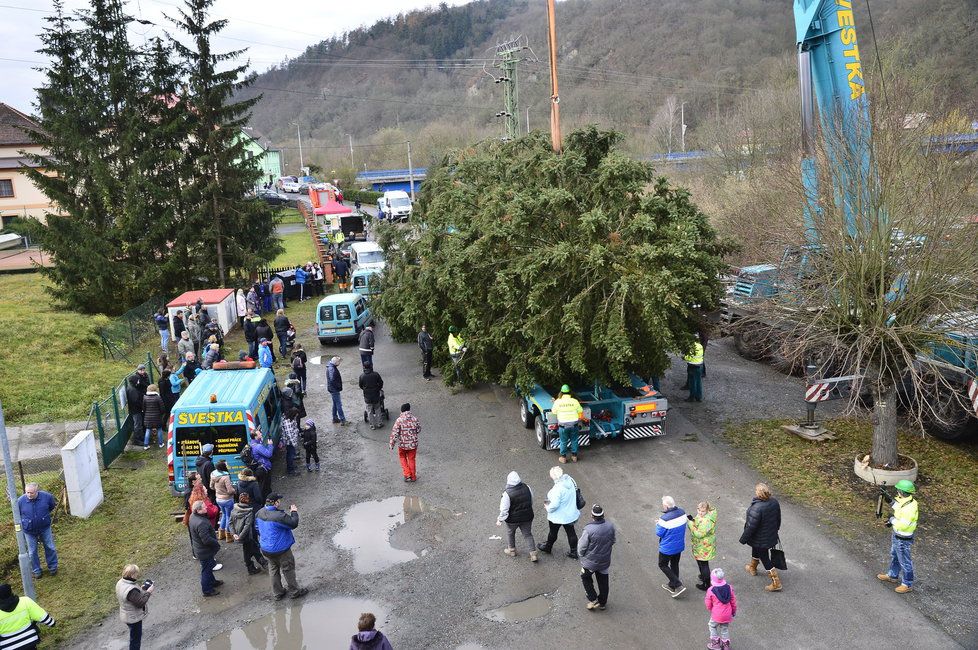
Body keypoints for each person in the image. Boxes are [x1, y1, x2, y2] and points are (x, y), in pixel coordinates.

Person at [256, 494, 307, 600]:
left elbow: (256, 528)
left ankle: (278, 593)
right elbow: (293, 523)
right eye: (279, 501)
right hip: (281, 549)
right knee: (288, 568)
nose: (280, 502)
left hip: (266, 548)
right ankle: (295, 591)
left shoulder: (259, 513)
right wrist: (294, 512)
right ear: (275, 503)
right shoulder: (278, 516)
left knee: (273, 569)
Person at [876, 479, 918, 594]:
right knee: (895, 555)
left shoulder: (910, 508)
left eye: (898, 490)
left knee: (905, 561)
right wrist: (887, 498)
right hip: (897, 535)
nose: (897, 491)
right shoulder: (906, 501)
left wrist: (892, 520)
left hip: (903, 538)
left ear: (902, 492)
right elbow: (898, 506)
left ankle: (907, 584)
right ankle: (893, 575)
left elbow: (904, 525)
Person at [739, 482, 783, 592]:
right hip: (770, 535)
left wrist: (743, 538)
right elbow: (778, 518)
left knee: (765, 558)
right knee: (756, 548)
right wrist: (775, 530)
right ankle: (752, 567)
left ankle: (776, 582)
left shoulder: (757, 508)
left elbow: (751, 527)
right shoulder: (774, 502)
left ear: (758, 494)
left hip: (760, 538)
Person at [578, 504, 616, 611]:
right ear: (603, 515)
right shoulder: (610, 526)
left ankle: (593, 599)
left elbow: (581, 547)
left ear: (592, 516)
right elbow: (613, 540)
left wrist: (582, 555)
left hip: (590, 562)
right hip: (604, 561)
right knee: (603, 581)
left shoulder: (588, 529)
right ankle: (602, 603)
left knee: (585, 577)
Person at [17, 483, 58, 578]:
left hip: (45, 527)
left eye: (31, 493)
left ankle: (53, 567)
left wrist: (43, 518)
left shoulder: (47, 497)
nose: (29, 495)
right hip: (29, 530)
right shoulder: (20, 501)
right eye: (27, 492)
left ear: (37, 491)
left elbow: (51, 506)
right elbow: (17, 514)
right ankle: (36, 570)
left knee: (50, 547)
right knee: (32, 551)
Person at [537, 466, 579, 558]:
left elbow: (554, 505)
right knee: (571, 533)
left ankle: (548, 547)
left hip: (558, 516)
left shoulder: (558, 489)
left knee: (553, 532)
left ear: (554, 477)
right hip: (570, 513)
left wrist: (547, 507)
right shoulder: (570, 480)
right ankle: (574, 552)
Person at [496, 471, 537, 562]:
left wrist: (500, 519)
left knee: (510, 533)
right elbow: (531, 500)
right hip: (527, 517)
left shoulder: (507, 493)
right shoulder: (527, 487)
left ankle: (512, 550)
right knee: (527, 534)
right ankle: (533, 554)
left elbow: (504, 509)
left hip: (512, 520)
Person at [0, 583, 55, 648]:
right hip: (30, 640)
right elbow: (41, 616)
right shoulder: (25, 601)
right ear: (11, 591)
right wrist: (51, 623)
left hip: (8, 646)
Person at [188, 501, 223, 597]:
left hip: (201, 549)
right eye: (203, 507)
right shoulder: (201, 523)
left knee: (209, 566)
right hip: (205, 551)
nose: (206, 508)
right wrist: (216, 543)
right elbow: (206, 540)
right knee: (206, 570)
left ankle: (212, 582)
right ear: (198, 510)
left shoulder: (193, 517)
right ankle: (207, 590)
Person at [115, 564, 154, 650]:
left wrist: (141, 590)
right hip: (133, 618)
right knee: (135, 640)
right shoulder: (131, 590)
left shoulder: (121, 582)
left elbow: (131, 597)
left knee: (134, 636)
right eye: (136, 574)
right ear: (132, 575)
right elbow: (141, 603)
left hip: (126, 614)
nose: (138, 575)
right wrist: (149, 592)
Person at [656, 495, 688, 597]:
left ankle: (678, 585)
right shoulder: (683, 512)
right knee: (674, 564)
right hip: (678, 546)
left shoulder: (664, 519)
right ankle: (672, 585)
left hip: (667, 548)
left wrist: (658, 524)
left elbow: (659, 533)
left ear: (666, 506)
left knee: (663, 565)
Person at [229, 493, 266, 576]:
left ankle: (260, 562)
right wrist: (240, 537)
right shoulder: (249, 512)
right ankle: (253, 567)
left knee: (249, 549)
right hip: (248, 535)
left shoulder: (234, 509)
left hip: (238, 534)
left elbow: (230, 523)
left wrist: (234, 534)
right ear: (248, 500)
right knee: (250, 549)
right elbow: (247, 526)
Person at [704, 568, 737, 650]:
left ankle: (715, 644)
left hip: (717, 614)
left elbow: (708, 603)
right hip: (727, 614)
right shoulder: (729, 587)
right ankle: (726, 646)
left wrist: (711, 609)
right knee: (724, 628)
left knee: (712, 626)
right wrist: (733, 611)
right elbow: (733, 601)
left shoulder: (711, 590)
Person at [551, 385, 584, 463]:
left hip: (563, 426)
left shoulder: (557, 401)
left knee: (563, 441)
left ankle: (563, 458)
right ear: (570, 392)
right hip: (574, 425)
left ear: (561, 392)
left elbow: (554, 412)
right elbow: (580, 410)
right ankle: (574, 457)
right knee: (574, 440)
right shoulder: (575, 401)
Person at [689, 502, 718, 591]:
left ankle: (706, 584)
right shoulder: (707, 516)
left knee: (703, 564)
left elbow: (698, 534)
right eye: (699, 510)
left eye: (702, 511)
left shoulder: (706, 521)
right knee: (701, 562)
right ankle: (703, 575)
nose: (700, 513)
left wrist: (690, 524)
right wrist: (694, 520)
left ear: (707, 510)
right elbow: (699, 522)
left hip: (703, 545)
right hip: (704, 544)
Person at [389, 404, 420, 482]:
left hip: (403, 444)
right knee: (412, 459)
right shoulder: (415, 419)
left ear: (401, 411)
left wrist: (391, 444)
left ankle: (407, 474)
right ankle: (413, 477)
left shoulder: (399, 420)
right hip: (413, 444)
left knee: (402, 457)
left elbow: (394, 433)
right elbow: (418, 430)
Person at [210, 460, 237, 543]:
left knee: (224, 515)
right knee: (229, 516)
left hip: (218, 499)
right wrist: (234, 491)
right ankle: (228, 536)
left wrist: (219, 491)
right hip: (227, 499)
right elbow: (229, 490)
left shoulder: (213, 474)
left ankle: (221, 534)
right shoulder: (226, 477)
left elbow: (211, 486)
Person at [358, 363, 385, 429]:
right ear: (371, 366)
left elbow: (360, 385)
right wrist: (378, 388)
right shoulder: (375, 374)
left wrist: (365, 389)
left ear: (364, 367)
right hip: (376, 394)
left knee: (369, 411)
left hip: (367, 396)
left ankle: (372, 425)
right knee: (377, 409)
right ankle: (379, 423)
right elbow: (381, 383)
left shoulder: (362, 376)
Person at [249, 430, 275, 497]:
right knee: (265, 486)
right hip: (264, 468)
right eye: (259, 433)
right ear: (255, 436)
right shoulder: (258, 446)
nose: (261, 433)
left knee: (263, 485)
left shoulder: (251, 443)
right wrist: (270, 445)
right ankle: (266, 501)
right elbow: (269, 454)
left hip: (259, 468)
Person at [326, 356, 348, 425]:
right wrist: (338, 386)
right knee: (339, 404)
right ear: (336, 363)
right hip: (334, 389)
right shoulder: (332, 369)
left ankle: (335, 418)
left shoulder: (330, 367)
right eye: (339, 362)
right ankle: (343, 419)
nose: (339, 363)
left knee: (335, 403)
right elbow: (332, 379)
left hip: (332, 389)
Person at [142, 384, 165, 450]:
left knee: (148, 429)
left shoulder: (145, 398)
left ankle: (146, 445)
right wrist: (161, 413)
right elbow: (162, 408)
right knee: (159, 429)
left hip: (148, 417)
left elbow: (143, 408)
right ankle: (161, 443)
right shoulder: (158, 398)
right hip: (157, 417)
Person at [126, 374, 146, 446]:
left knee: (139, 424)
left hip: (136, 410)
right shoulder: (132, 390)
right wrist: (142, 406)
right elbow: (136, 401)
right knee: (137, 425)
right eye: (137, 380)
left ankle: (140, 437)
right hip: (136, 410)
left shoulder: (132, 388)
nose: (138, 382)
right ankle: (137, 440)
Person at [281, 409, 301, 477]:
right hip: (290, 442)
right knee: (290, 455)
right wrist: (294, 444)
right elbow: (290, 435)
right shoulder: (288, 422)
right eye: (296, 415)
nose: (296, 416)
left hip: (290, 441)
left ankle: (291, 466)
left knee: (290, 454)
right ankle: (290, 470)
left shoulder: (289, 418)